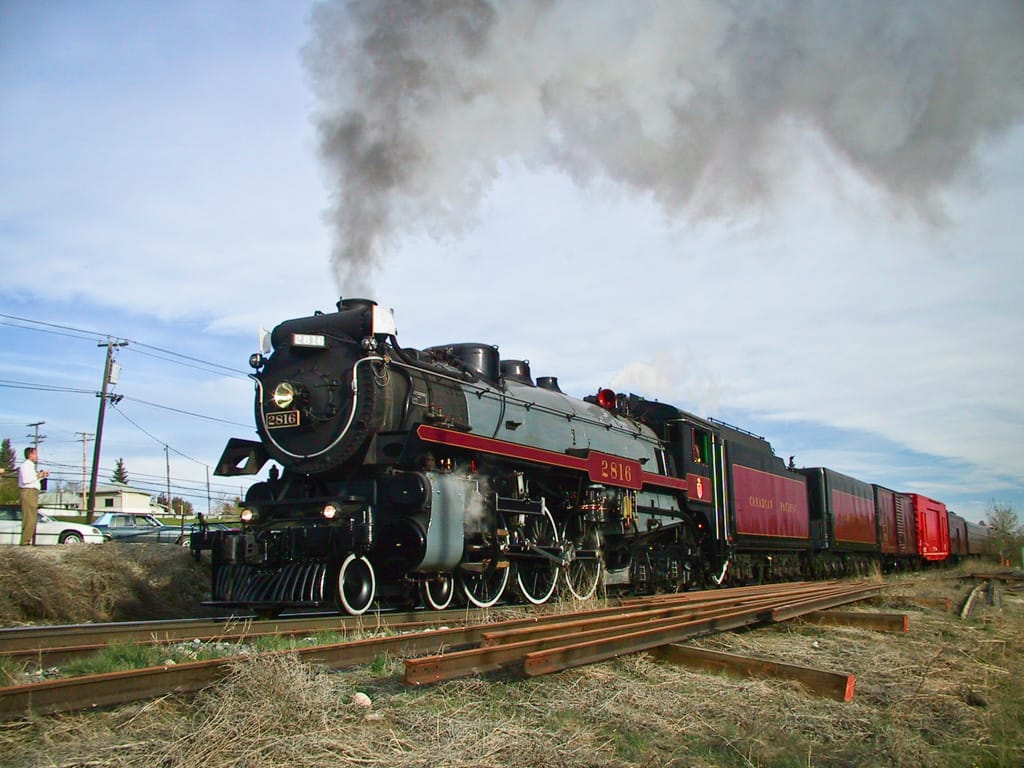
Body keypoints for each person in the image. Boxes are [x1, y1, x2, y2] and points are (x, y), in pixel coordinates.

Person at [18, 446, 49, 546]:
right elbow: (26, 480)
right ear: (30, 454)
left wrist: (41, 476)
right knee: (29, 517)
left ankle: (27, 540)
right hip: (28, 492)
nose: (37, 456)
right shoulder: (25, 466)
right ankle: (25, 541)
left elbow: (32, 479)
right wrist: (38, 475)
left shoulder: (30, 466)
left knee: (32, 517)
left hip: (32, 492)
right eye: (35, 454)